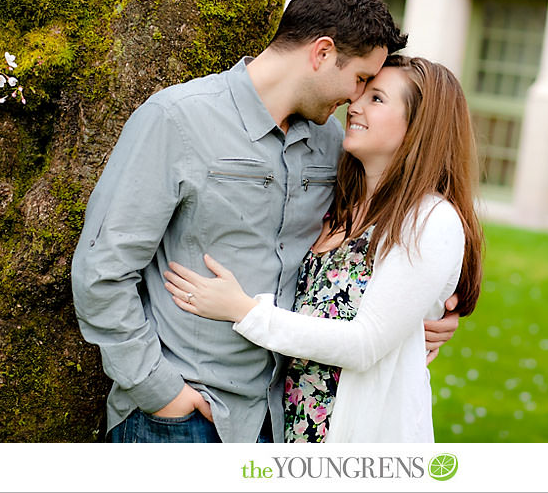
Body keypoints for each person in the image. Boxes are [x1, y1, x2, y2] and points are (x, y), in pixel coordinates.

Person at [71, 0, 460, 443]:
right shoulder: (178, 118)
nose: (356, 98)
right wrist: (159, 390)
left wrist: (420, 319)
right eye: (360, 80)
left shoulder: (333, 143)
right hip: (179, 417)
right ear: (321, 53)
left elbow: (362, 260)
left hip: (277, 423)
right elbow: (103, 269)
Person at [163, 55, 483, 442]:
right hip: (293, 432)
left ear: (418, 127)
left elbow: (365, 344)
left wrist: (243, 310)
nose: (356, 105)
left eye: (377, 99)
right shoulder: (341, 203)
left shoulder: (430, 220)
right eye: (362, 92)